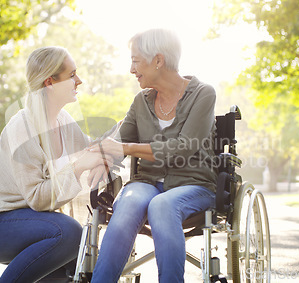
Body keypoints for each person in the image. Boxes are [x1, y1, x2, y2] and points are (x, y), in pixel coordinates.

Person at [0, 46, 111, 283]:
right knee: (69, 233)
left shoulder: (62, 120)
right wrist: (80, 165)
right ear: (49, 83)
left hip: (25, 220)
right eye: (72, 75)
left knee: (76, 260)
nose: (79, 81)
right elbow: (37, 198)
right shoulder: (22, 127)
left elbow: (92, 148)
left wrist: (128, 131)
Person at [90, 29, 218, 283]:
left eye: (135, 61)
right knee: (126, 203)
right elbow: (118, 143)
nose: (131, 69)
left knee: (163, 204)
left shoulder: (204, 94)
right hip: (146, 183)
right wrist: (102, 159)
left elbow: (183, 147)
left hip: (193, 184)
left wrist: (127, 149)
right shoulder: (141, 101)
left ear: (158, 60)